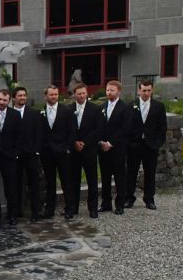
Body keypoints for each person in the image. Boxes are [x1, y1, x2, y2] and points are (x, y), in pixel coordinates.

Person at [125, 80, 167, 210]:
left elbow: (162, 127)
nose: (146, 93)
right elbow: (126, 127)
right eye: (144, 90)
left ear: (152, 90)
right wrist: (129, 143)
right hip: (134, 145)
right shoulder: (131, 106)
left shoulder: (159, 106)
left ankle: (149, 199)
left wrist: (157, 143)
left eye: (149, 90)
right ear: (139, 91)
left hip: (150, 145)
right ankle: (129, 198)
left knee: (150, 173)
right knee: (131, 172)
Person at [39, 85, 75, 219]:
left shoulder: (66, 111)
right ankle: (49, 210)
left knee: (66, 181)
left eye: (55, 94)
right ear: (46, 96)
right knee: (50, 182)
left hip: (62, 152)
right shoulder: (41, 112)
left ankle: (70, 209)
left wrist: (67, 148)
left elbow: (72, 131)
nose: (54, 97)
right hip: (47, 153)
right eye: (51, 94)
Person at [0, 88, 21, 229]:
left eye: (5, 100)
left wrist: (14, 154)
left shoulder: (15, 115)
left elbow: (19, 137)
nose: (1, 102)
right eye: (0, 99)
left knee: (11, 188)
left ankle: (13, 215)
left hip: (9, 158)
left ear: (9, 101)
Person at [68, 82, 103, 218]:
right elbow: (68, 129)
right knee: (74, 180)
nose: (81, 95)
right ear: (74, 94)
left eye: (83, 93)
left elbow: (98, 129)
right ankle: (73, 207)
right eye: (79, 93)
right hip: (74, 151)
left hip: (89, 150)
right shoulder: (69, 109)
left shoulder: (95, 109)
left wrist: (84, 142)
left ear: (87, 93)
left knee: (92, 180)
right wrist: (74, 143)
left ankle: (92, 208)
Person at [99, 79, 132, 215]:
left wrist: (111, 143)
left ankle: (120, 204)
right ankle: (106, 203)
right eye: (107, 90)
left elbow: (125, 129)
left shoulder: (125, 108)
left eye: (112, 90)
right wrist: (101, 142)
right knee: (105, 177)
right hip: (103, 149)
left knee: (119, 177)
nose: (109, 92)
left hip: (117, 148)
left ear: (118, 91)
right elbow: (99, 126)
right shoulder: (102, 107)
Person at [12, 86, 42, 222]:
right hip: (15, 156)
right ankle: (18, 211)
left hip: (31, 155)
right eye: (20, 95)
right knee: (16, 184)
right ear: (14, 98)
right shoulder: (10, 114)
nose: (23, 98)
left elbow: (39, 133)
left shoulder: (34, 114)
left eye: (24, 95)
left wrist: (36, 150)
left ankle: (35, 212)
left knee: (34, 184)